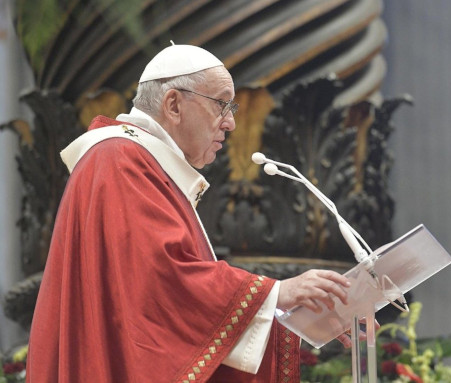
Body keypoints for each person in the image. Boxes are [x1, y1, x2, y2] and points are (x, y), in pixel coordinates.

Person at [26, 43, 354, 382]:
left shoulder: (141, 164)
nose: (230, 124)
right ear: (173, 105)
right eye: (222, 105)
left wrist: (300, 313)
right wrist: (276, 293)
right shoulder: (119, 159)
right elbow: (162, 281)